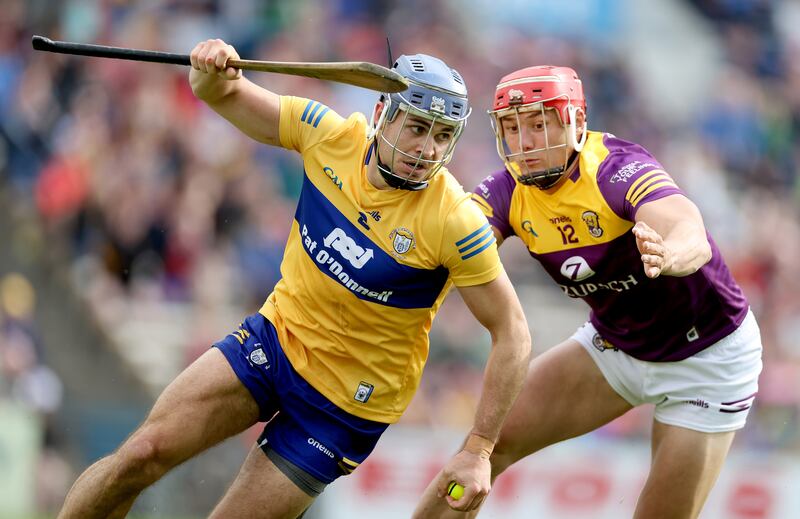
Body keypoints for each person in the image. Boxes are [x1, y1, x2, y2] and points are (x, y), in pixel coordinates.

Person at [56, 40, 531, 519]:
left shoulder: (455, 222)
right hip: (276, 341)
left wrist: (479, 448)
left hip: (342, 409)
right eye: (417, 127)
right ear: (383, 113)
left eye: (443, 135)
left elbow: (512, 332)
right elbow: (220, 93)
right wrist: (211, 67)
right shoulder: (329, 135)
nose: (427, 149)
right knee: (141, 454)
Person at [413, 65, 763, 519]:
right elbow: (447, 248)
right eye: (512, 128)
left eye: (539, 124)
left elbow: (689, 232)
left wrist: (669, 255)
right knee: (478, 453)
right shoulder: (505, 192)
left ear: (576, 121)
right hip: (615, 345)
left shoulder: (615, 170)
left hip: (708, 361)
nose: (524, 142)